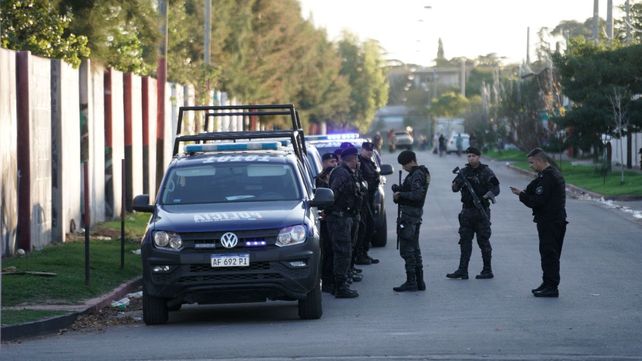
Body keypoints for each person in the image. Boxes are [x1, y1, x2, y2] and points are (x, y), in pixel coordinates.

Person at [510, 148, 567, 298]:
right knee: (546, 253)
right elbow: (532, 187)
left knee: (550, 254)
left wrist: (521, 195)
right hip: (550, 221)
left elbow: (537, 201)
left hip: (552, 222)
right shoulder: (546, 174)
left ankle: (552, 287)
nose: (530, 166)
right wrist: (525, 192)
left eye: (531, 162)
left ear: (540, 160)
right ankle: (546, 283)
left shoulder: (549, 178)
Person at [447, 147, 500, 280]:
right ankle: (462, 270)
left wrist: (488, 195)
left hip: (481, 211)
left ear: (479, 157)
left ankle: (487, 270)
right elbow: (454, 188)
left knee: (483, 241)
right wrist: (457, 183)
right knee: (465, 241)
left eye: (473, 156)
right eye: (469, 156)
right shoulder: (463, 172)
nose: (471, 158)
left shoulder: (486, 171)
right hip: (467, 212)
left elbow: (496, 187)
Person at [392, 150, 430, 292]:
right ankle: (419, 281)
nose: (403, 167)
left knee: (407, 249)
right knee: (414, 248)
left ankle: (412, 281)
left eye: (404, 164)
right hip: (413, 214)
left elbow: (417, 195)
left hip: (409, 216)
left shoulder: (417, 174)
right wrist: (399, 190)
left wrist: (401, 194)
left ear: (411, 161)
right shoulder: (420, 173)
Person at [326, 146, 361, 298]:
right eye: (356, 159)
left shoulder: (347, 172)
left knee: (345, 251)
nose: (357, 161)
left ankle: (341, 282)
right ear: (352, 159)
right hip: (339, 218)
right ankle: (340, 286)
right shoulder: (341, 173)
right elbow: (332, 195)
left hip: (345, 217)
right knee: (342, 252)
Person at [354, 142, 380, 265]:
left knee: (369, 227)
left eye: (371, 150)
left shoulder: (370, 162)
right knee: (364, 228)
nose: (369, 152)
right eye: (367, 150)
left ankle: (364, 253)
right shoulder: (359, 162)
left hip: (369, 198)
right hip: (362, 200)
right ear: (362, 150)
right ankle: (360, 255)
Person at [316, 153, 339, 293]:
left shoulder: (333, 180)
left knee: (332, 252)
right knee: (326, 252)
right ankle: (326, 281)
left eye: (335, 161)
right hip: (322, 223)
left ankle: (331, 280)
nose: (334, 164)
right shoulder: (317, 182)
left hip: (331, 221)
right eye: (331, 161)